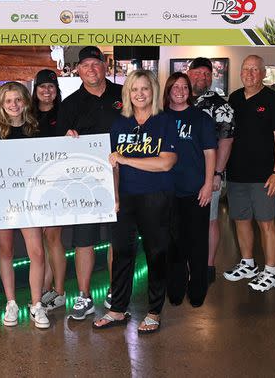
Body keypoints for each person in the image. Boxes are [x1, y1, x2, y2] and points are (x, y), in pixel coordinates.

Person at [94, 69, 177, 334]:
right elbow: (113, 166)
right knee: (121, 253)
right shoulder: (120, 124)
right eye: (134, 89)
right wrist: (115, 196)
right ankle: (117, 309)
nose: (140, 94)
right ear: (127, 94)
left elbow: (166, 162)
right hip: (126, 198)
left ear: (153, 92)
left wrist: (127, 159)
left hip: (156, 196)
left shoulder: (163, 122)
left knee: (156, 254)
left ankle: (154, 311)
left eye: (145, 89)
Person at [56, 46, 122, 320]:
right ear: (78, 70)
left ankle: (115, 290)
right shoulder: (70, 104)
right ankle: (84, 296)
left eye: (97, 64)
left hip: (122, 178)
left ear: (105, 66)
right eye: (86, 65)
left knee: (116, 240)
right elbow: (59, 148)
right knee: (84, 241)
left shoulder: (124, 95)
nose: (92, 69)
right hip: (83, 184)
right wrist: (66, 137)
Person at [0, 82, 49, 328]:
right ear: (1, 104)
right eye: (8, 101)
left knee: (38, 253)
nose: (13, 105)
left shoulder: (36, 129)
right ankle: (11, 303)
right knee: (6, 252)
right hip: (3, 203)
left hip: (31, 202)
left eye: (18, 100)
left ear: (25, 102)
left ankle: (36, 304)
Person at [223, 55, 275, 292]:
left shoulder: (273, 100)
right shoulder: (235, 98)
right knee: (241, 220)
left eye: (254, 70)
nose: (249, 73)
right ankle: (248, 263)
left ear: (263, 73)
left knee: (266, 223)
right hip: (237, 174)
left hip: (264, 176)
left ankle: (270, 271)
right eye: (246, 69)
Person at [164, 72, 217, 307]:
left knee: (197, 243)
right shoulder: (159, 117)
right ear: (168, 90)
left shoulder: (200, 118)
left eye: (184, 87)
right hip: (166, 191)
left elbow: (209, 153)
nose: (180, 90)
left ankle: (197, 290)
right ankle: (175, 289)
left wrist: (208, 184)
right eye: (175, 86)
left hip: (196, 191)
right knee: (173, 245)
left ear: (190, 91)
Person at [187, 57, 235, 284]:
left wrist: (217, 174)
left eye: (207, 74)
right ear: (189, 73)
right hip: (179, 175)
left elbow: (226, 141)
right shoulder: (176, 99)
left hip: (208, 175)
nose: (202, 77)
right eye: (198, 73)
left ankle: (207, 266)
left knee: (209, 220)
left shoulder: (220, 105)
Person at [31, 69, 67, 312]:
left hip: (57, 185)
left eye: (51, 87)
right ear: (35, 90)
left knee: (53, 237)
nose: (46, 91)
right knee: (42, 239)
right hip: (34, 187)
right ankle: (46, 288)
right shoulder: (28, 116)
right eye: (42, 87)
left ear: (57, 90)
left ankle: (61, 291)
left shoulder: (64, 114)